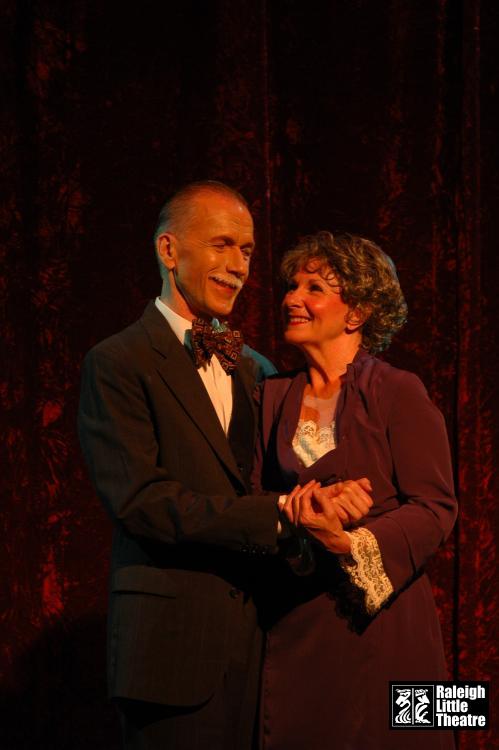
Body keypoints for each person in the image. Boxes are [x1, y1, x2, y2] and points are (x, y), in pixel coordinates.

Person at [78, 181, 283, 750]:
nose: (238, 265)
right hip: (170, 653)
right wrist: (275, 517)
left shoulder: (259, 370)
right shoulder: (117, 362)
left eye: (246, 250)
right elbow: (141, 502)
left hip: (258, 649)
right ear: (169, 250)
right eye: (222, 244)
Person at [252, 231, 457, 750]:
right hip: (299, 627)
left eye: (314, 288)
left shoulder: (398, 391)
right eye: (292, 285)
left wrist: (349, 542)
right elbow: (249, 499)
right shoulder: (269, 396)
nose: (292, 298)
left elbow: (436, 506)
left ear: (357, 313)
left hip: (388, 629)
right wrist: (298, 511)